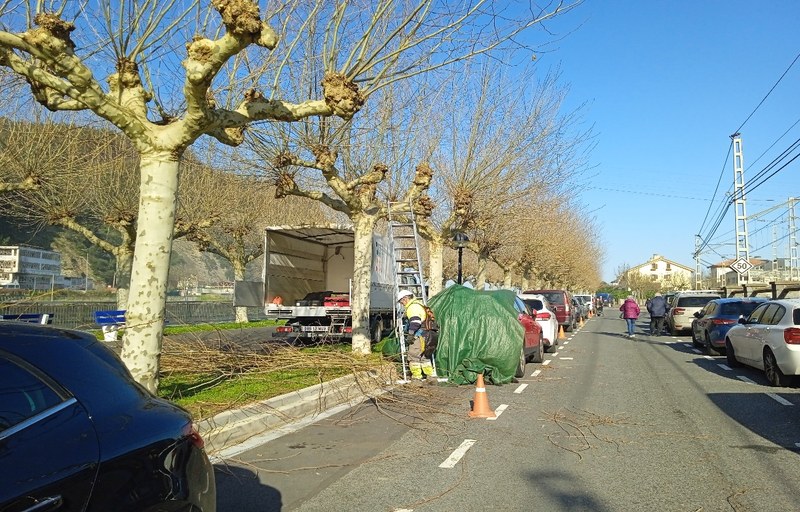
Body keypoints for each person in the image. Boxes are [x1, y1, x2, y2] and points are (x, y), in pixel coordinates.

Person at [397, 290, 437, 380]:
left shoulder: (413, 307)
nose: (401, 304)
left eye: (401, 301)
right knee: (424, 356)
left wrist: (410, 335)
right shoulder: (420, 305)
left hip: (419, 336)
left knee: (413, 356)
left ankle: (417, 378)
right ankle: (431, 377)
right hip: (427, 335)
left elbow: (415, 322)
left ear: (406, 298)